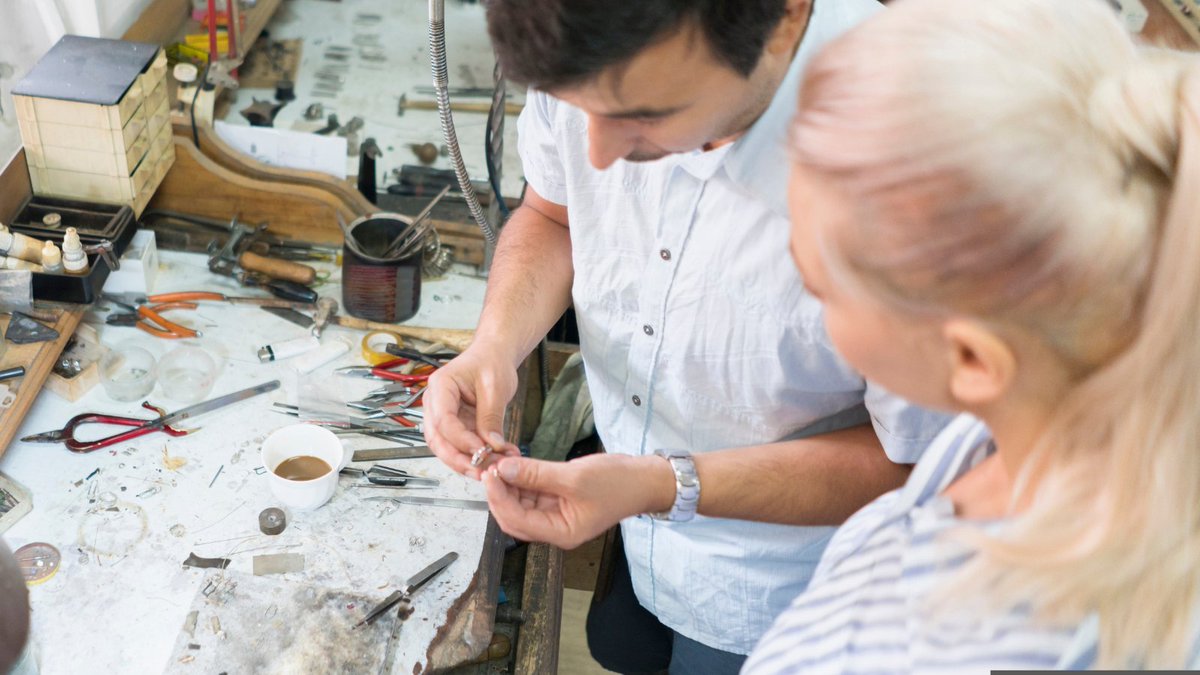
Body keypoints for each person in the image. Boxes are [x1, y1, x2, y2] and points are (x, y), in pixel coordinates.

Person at [424, 0, 950, 672]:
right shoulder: (595, 43)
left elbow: (914, 460)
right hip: (634, 534)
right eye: (573, 106)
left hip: (783, 595)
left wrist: (662, 484)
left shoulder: (917, 180)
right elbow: (552, 214)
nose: (600, 153)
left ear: (786, 17)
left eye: (646, 113)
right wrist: (493, 347)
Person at [737, 0, 1200, 671]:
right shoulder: (1026, 427)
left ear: (974, 360)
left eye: (823, 285)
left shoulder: (886, 652)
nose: (803, 278)